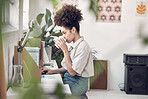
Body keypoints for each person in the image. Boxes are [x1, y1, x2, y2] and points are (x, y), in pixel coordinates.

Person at [42, 5, 94, 99]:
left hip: (78, 83)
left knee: (50, 93)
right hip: (70, 80)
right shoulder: (74, 45)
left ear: (73, 30)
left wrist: (65, 50)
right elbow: (67, 67)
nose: (63, 36)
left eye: (64, 33)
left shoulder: (83, 47)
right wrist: (53, 71)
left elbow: (72, 72)